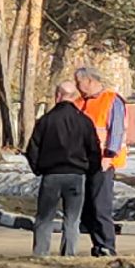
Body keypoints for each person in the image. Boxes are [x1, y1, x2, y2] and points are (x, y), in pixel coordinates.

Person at [23, 81, 100, 257]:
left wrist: (38, 169)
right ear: (74, 97)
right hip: (76, 175)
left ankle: (41, 254)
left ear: (57, 96)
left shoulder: (45, 121)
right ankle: (68, 255)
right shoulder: (84, 122)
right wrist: (90, 171)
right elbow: (94, 150)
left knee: (44, 218)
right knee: (72, 219)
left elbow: (33, 149)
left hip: (51, 176)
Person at [75, 65, 128, 257]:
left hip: (103, 163)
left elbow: (116, 130)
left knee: (100, 206)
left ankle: (107, 246)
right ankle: (97, 245)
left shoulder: (112, 100)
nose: (77, 86)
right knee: (87, 208)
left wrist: (109, 156)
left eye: (78, 82)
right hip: (83, 162)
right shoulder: (79, 103)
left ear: (89, 81)